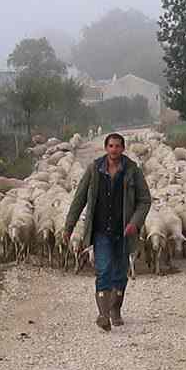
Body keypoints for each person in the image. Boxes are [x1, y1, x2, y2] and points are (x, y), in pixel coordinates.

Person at [64, 132, 152, 331]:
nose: (114, 150)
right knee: (103, 270)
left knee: (120, 273)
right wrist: (69, 226)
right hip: (101, 229)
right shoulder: (95, 169)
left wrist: (135, 223)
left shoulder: (132, 171)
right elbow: (79, 199)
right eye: (111, 146)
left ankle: (116, 310)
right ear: (106, 148)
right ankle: (103, 314)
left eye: (118, 146)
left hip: (124, 230)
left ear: (123, 148)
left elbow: (145, 200)